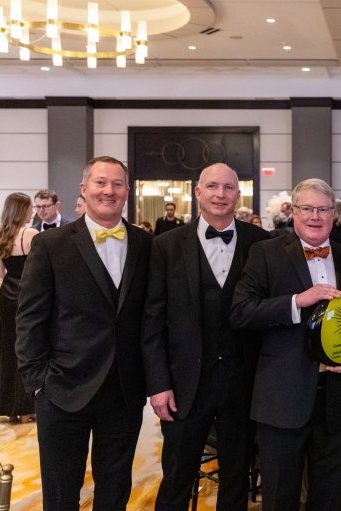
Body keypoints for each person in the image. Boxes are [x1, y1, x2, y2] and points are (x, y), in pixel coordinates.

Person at [15, 156, 153, 510]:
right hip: (62, 388)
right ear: (84, 189)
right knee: (61, 492)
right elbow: (30, 318)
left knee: (115, 490)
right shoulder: (51, 244)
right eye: (101, 183)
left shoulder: (145, 244)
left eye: (117, 184)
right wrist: (37, 381)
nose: (109, 191)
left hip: (123, 389)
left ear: (127, 191)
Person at [230, 178, 341, 511]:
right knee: (280, 497)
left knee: (328, 497)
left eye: (323, 209)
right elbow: (240, 312)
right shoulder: (266, 253)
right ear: (293, 212)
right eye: (308, 208)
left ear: (334, 214)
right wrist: (297, 301)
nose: (316, 216)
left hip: (334, 398)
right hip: (281, 397)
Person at [142, 163, 271, 510]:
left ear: (238, 194)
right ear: (198, 193)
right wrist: (157, 384)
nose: (220, 194)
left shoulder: (261, 243)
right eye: (212, 186)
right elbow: (152, 321)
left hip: (243, 383)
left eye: (228, 188)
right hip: (184, 385)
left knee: (236, 478)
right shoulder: (166, 245)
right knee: (176, 477)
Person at [0, 193, 39, 424]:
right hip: (27, 294)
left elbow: (0, 273)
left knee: (8, 348)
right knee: (28, 348)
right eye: (30, 207)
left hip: (7, 295)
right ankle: (26, 407)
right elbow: (39, 268)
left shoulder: (0, 235)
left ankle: (9, 406)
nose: (32, 211)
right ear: (22, 210)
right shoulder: (30, 234)